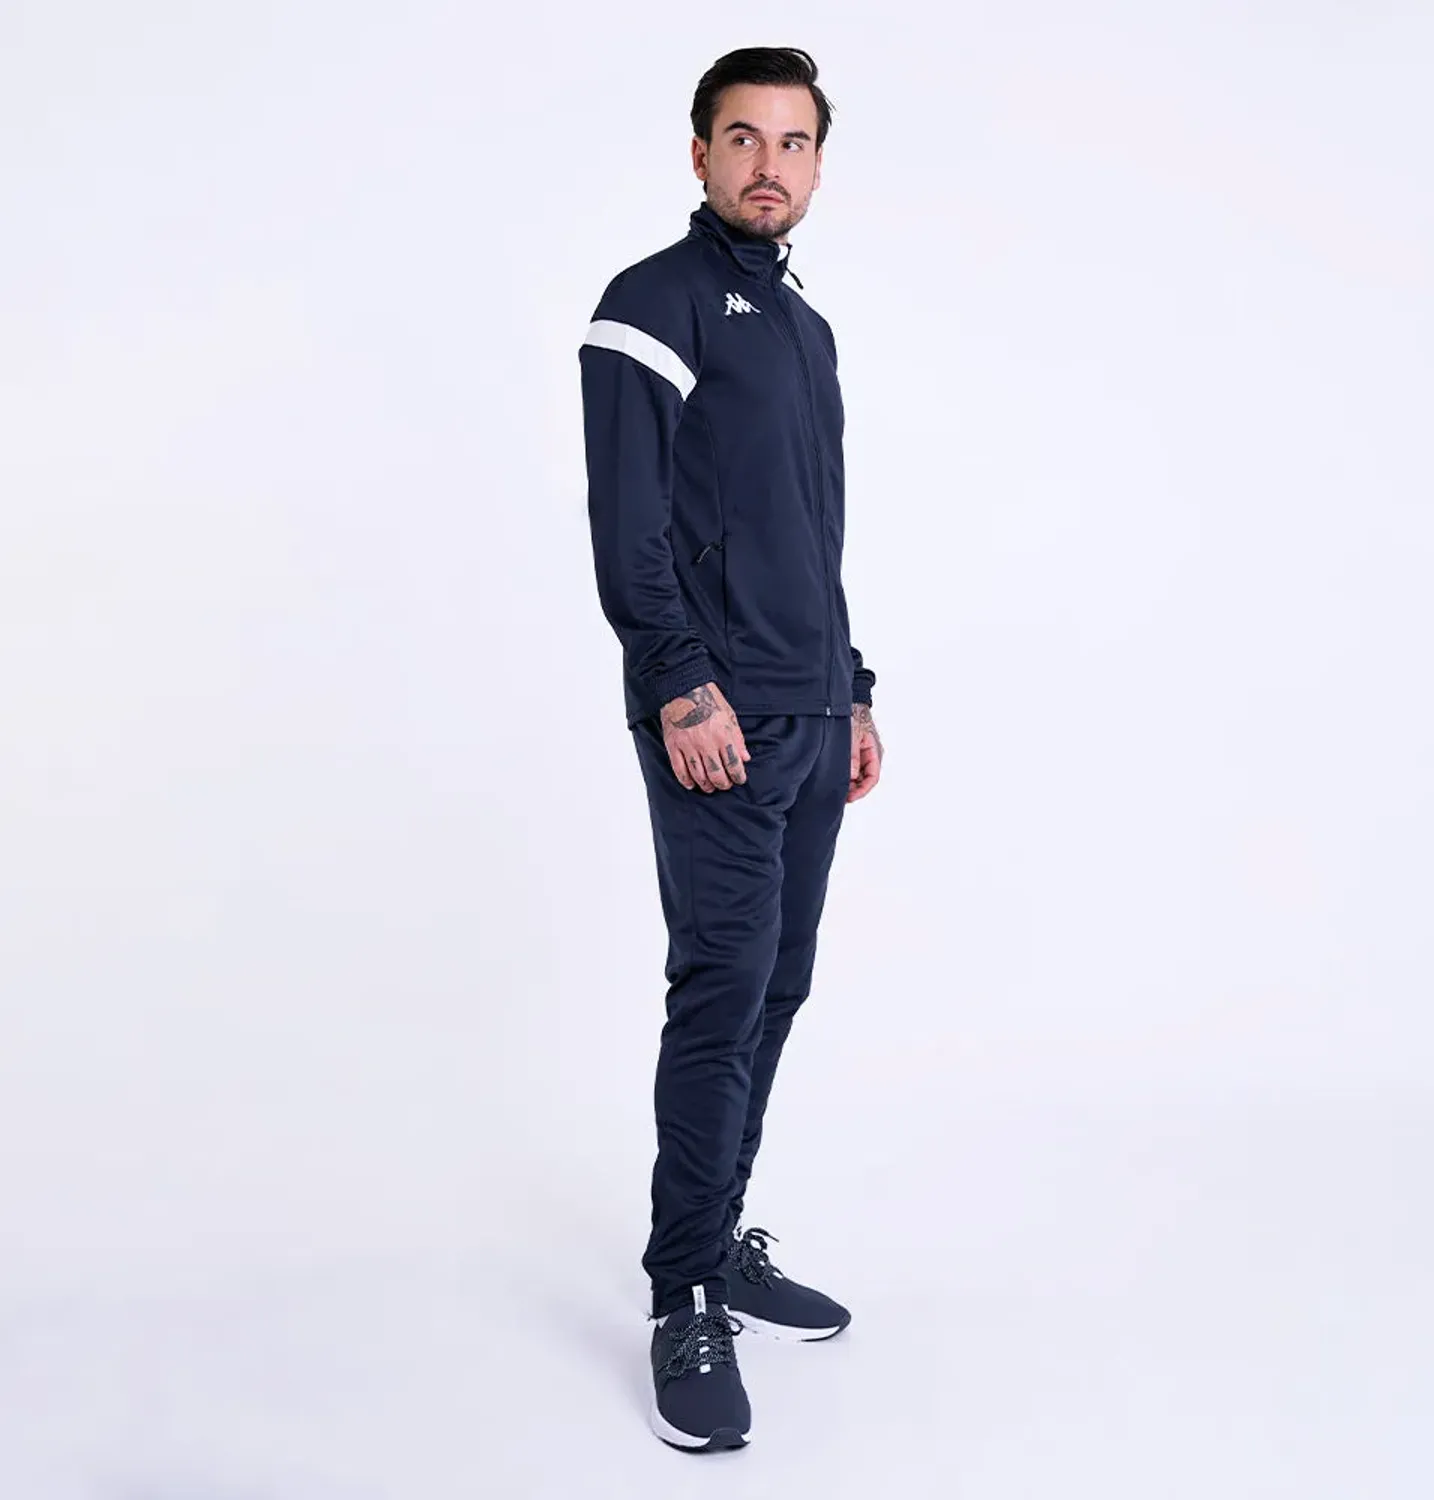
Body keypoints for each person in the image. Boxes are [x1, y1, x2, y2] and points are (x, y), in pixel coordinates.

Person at [578, 45, 883, 1452]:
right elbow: (629, 524)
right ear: (698, 153)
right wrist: (679, 683)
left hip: (809, 713)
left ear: (818, 163)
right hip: (717, 718)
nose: (770, 164)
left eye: (794, 141)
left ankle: (720, 1232)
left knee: (781, 986)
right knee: (721, 991)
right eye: (744, 137)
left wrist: (850, 686)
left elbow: (811, 533)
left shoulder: (804, 330)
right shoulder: (652, 304)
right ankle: (685, 1289)